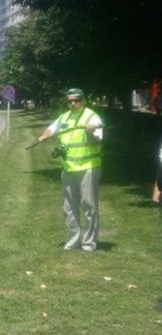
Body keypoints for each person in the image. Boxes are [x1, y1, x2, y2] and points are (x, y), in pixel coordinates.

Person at [36, 88, 104, 251]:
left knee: (89, 206)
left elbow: (98, 141)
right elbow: (52, 128)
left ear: (83, 101)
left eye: (77, 100)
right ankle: (72, 241)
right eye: (70, 101)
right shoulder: (64, 117)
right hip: (68, 168)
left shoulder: (92, 117)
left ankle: (88, 243)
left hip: (88, 167)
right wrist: (44, 135)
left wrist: (90, 132)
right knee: (69, 207)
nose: (73, 103)